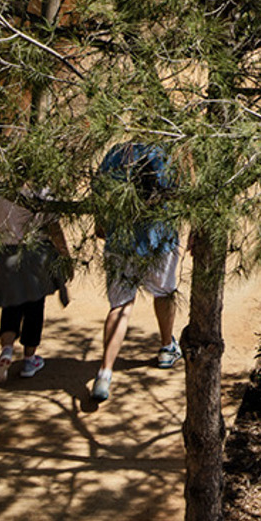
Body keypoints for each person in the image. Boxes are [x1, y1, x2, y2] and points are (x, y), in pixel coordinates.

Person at [91, 142, 182, 403]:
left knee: (120, 305)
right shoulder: (170, 153)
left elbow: (99, 189)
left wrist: (101, 221)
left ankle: (105, 372)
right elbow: (182, 196)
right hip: (159, 239)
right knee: (164, 292)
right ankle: (166, 347)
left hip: (121, 238)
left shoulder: (117, 152)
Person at [0, 188, 71, 387]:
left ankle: (7, 350)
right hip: (36, 254)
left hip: (7, 254)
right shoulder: (44, 192)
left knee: (11, 305)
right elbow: (54, 229)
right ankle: (29, 360)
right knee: (34, 308)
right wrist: (65, 256)